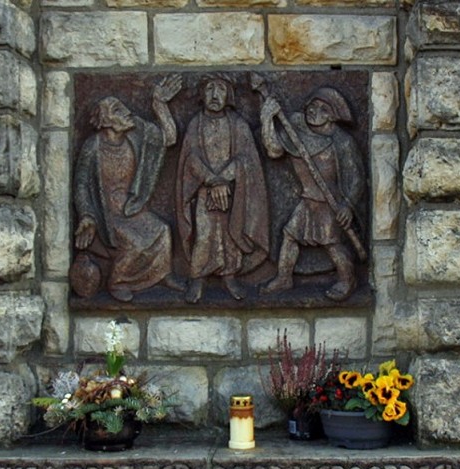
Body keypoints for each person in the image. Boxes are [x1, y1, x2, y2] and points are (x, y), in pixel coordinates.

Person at [72, 75, 184, 302]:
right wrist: (86, 215)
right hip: (108, 214)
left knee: (162, 230)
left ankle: (162, 274)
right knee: (135, 244)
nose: (126, 112)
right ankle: (117, 282)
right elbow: (81, 184)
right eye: (117, 110)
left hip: (131, 208)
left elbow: (169, 137)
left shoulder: (136, 135)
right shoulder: (92, 147)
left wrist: (159, 104)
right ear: (105, 120)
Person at [259, 86, 364, 301]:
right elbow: (274, 150)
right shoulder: (296, 129)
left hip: (330, 202)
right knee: (290, 235)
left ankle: (347, 278)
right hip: (308, 199)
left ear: (332, 115)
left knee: (331, 243)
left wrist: (348, 205)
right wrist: (267, 120)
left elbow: (356, 178)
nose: (313, 111)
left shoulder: (342, 142)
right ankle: (284, 277)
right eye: (311, 106)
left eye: (321, 109)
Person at [176, 76, 270, 303]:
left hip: (234, 193)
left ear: (229, 95)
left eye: (220, 89)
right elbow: (190, 158)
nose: (215, 95)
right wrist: (211, 180)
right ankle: (197, 277)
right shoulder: (195, 125)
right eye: (209, 89)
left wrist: (225, 178)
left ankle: (230, 276)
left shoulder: (238, 124)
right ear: (201, 95)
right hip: (203, 191)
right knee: (204, 233)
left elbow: (247, 159)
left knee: (230, 233)